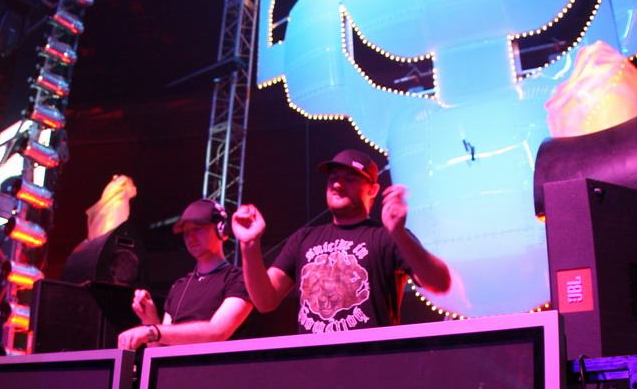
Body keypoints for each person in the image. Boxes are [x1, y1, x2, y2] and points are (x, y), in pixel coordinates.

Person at [231, 149, 450, 334]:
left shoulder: (387, 236)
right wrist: (249, 245)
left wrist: (399, 233)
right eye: (333, 178)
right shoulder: (303, 238)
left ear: (373, 189)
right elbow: (265, 301)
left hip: (371, 364)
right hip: (312, 365)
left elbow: (440, 283)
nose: (337, 184)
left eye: (350, 179)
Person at [117, 199, 252, 349]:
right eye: (186, 232)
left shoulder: (238, 279)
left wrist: (152, 331)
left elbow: (218, 332)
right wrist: (150, 319)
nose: (191, 237)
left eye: (198, 228)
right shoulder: (179, 286)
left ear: (222, 231)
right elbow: (159, 351)